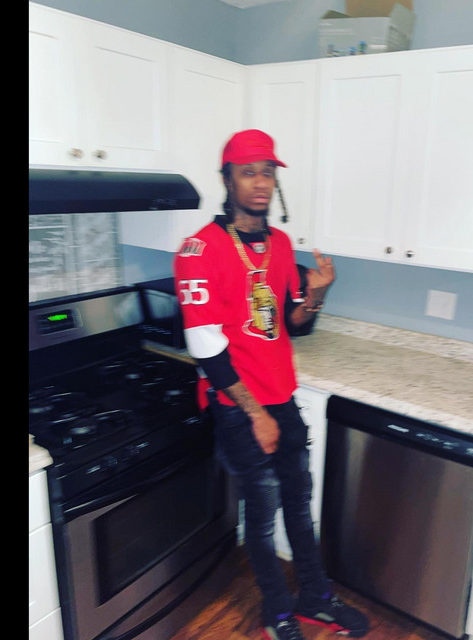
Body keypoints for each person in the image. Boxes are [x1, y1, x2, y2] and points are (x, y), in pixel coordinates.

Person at [173, 129, 369, 640]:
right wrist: (255, 414)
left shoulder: (280, 245)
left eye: (268, 173)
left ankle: (316, 599)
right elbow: (205, 347)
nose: (260, 183)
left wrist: (318, 295)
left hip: (282, 395)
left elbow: (290, 324)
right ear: (227, 180)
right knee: (261, 516)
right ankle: (277, 612)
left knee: (299, 505)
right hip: (238, 405)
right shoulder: (198, 251)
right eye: (249, 172)